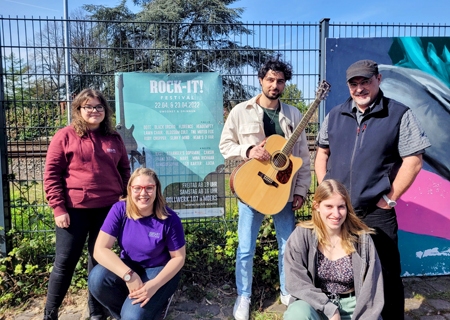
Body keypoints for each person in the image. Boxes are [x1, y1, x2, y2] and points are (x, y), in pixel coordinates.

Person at [315, 59, 431, 319]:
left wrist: (390, 199)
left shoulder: (399, 114)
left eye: (365, 81)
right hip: (338, 212)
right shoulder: (334, 115)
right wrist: (326, 193)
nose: (359, 88)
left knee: (387, 274)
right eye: (353, 83)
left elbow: (414, 161)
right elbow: (322, 153)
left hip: (376, 211)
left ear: (378, 80)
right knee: (338, 273)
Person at [219, 56, 311, 320]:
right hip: (251, 190)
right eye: (270, 79)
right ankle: (244, 296)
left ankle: (288, 291)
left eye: (280, 81)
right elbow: (225, 146)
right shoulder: (240, 111)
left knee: (287, 246)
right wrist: (248, 150)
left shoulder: (293, 114)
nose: (274, 85)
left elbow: (302, 157)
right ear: (261, 80)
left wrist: (301, 190)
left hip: (283, 189)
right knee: (246, 248)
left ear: (284, 85)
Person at [43, 88, 131, 320]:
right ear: (79, 109)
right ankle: (50, 313)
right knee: (64, 263)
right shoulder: (65, 136)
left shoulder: (114, 138)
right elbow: (52, 174)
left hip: (108, 211)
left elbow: (124, 170)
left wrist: (123, 194)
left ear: (105, 111)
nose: (94, 111)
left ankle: (96, 312)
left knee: (98, 261)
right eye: (88, 107)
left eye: (99, 107)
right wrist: (58, 208)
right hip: (74, 212)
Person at [88, 167, 186, 320]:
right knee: (96, 279)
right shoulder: (120, 209)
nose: (143, 193)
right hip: (131, 267)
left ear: (156, 189)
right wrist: (129, 276)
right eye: (137, 188)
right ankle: (132, 313)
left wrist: (153, 286)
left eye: (149, 188)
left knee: (133, 316)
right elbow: (100, 249)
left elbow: (179, 258)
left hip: (159, 271)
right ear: (130, 189)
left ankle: (146, 309)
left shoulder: (169, 218)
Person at [283, 179, 384, 320]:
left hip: (354, 307)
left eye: (341, 207)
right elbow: (296, 282)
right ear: (317, 206)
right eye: (329, 206)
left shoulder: (362, 239)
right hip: (315, 305)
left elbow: (373, 288)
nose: (336, 214)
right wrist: (329, 308)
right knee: (297, 313)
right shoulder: (301, 235)